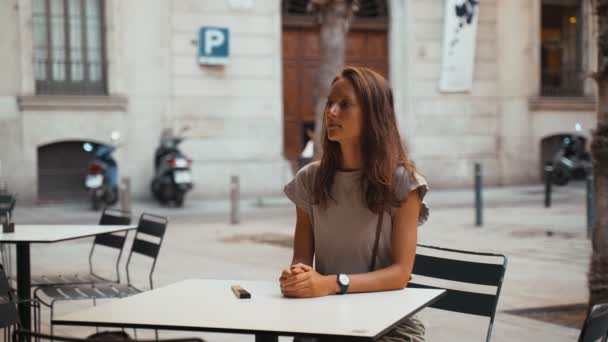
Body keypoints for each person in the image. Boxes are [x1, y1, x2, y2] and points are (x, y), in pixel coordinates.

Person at [280, 66, 430, 342]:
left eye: (345, 104)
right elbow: (302, 258)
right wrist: (297, 276)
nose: (331, 112)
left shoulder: (403, 183)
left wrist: (329, 284)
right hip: (325, 319)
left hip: (388, 326)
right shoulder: (309, 180)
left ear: (374, 115)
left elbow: (400, 274)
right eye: (330, 104)